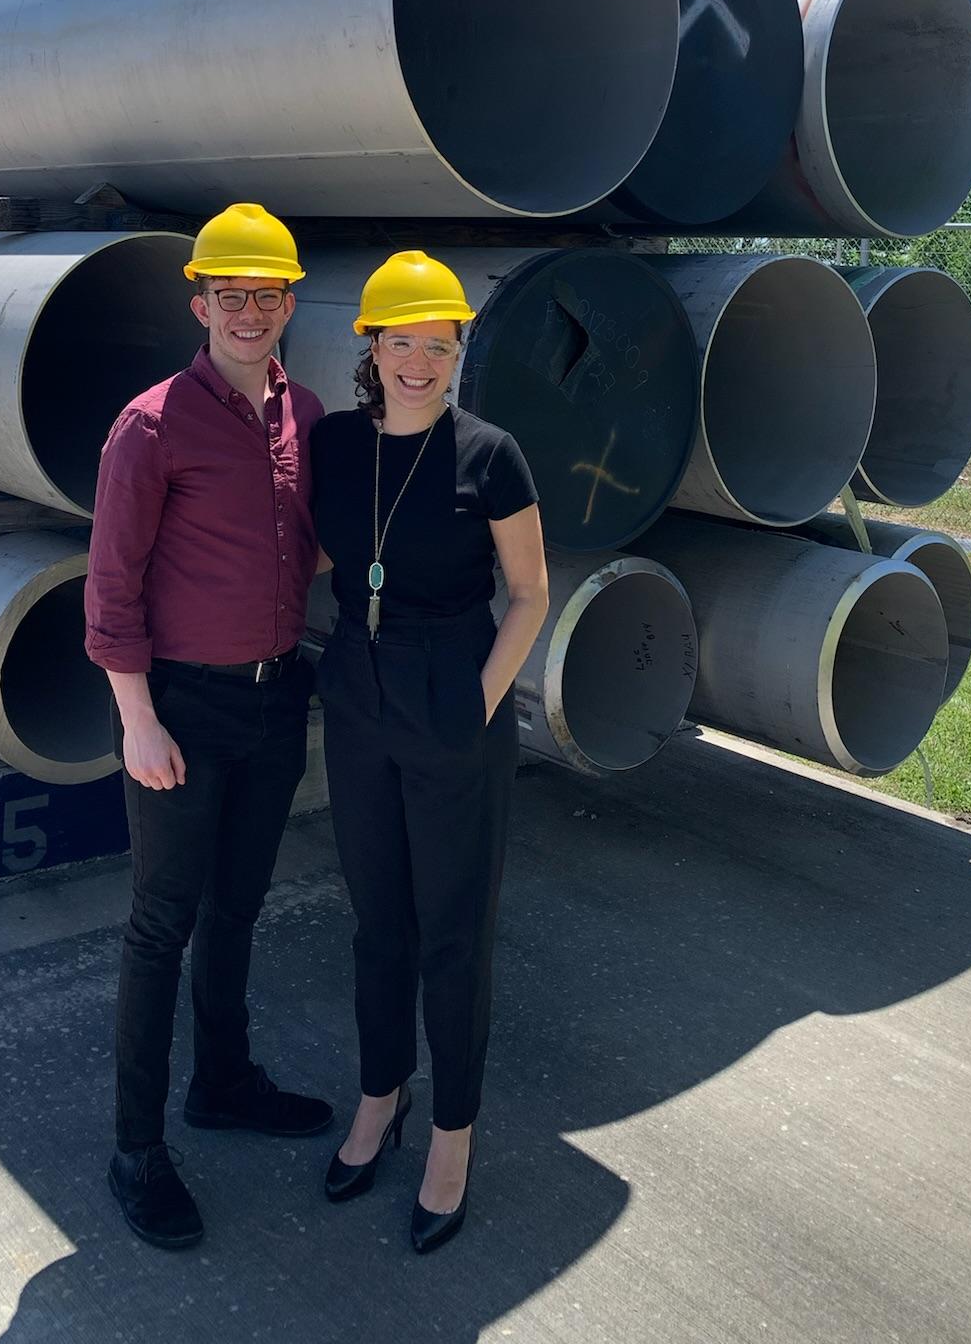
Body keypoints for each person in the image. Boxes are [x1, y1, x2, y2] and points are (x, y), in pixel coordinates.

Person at [85, 202, 334, 1252]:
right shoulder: (151, 424)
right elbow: (111, 585)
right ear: (200, 303)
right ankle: (136, 1146)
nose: (249, 311)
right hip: (180, 706)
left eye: (266, 294)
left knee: (238, 905)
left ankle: (222, 1080)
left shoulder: (307, 413)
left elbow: (312, 542)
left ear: (288, 303)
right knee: (162, 924)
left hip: (278, 698)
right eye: (229, 294)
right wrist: (137, 718)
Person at [310, 250, 549, 1254]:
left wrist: (477, 703)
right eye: (400, 340)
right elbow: (324, 551)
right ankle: (380, 1096)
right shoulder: (330, 445)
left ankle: (452, 1133)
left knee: (453, 932)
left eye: (437, 344)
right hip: (358, 690)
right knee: (378, 921)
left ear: (459, 350)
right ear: (369, 344)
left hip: (453, 692)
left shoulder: (491, 454)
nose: (418, 360)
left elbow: (531, 592)